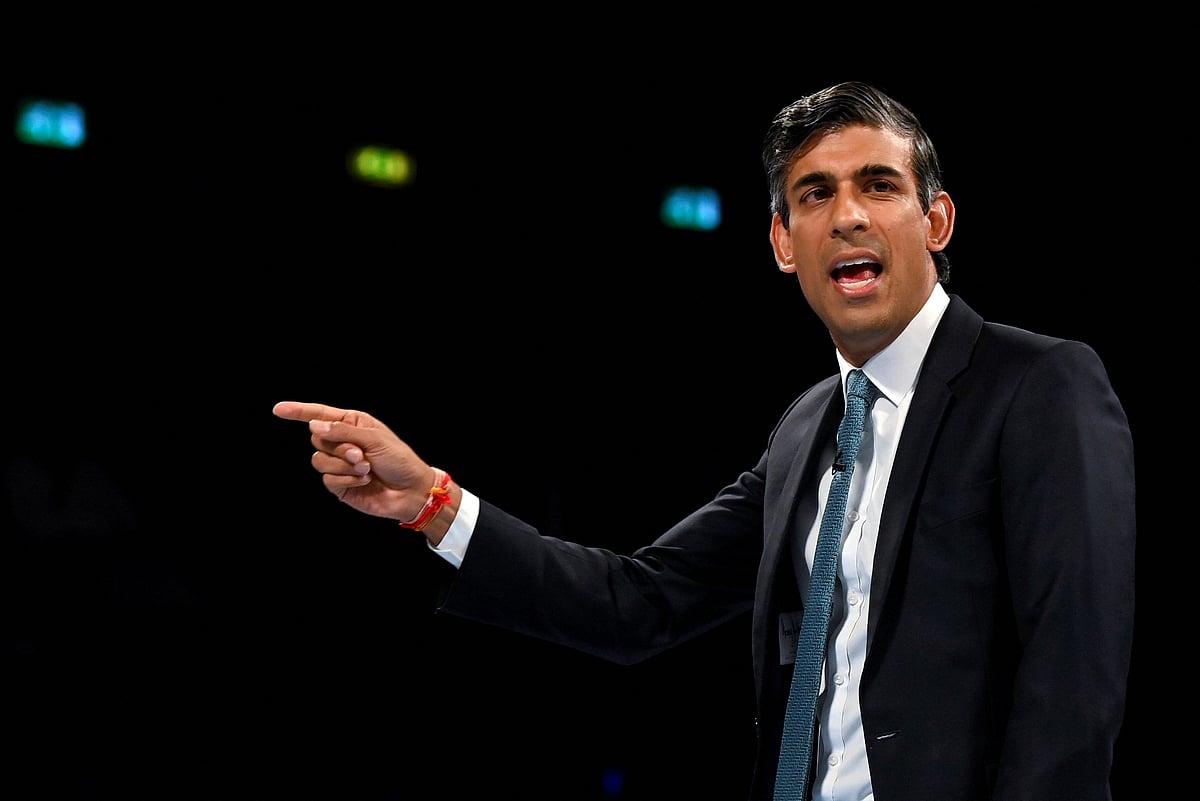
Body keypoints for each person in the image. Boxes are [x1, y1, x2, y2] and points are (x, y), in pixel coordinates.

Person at [272, 81, 1135, 801]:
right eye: (814, 194)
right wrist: (432, 499)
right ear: (781, 243)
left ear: (935, 221)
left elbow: (1073, 684)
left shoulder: (1036, 385)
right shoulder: (807, 430)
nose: (847, 217)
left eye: (878, 185)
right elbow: (637, 602)